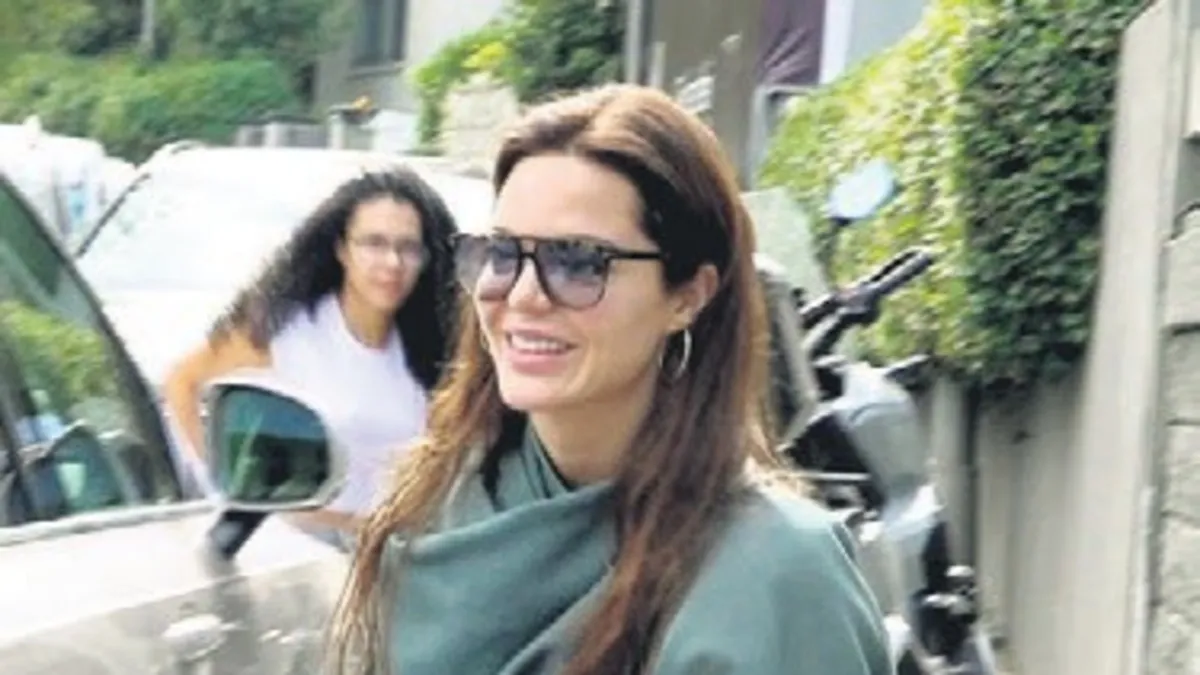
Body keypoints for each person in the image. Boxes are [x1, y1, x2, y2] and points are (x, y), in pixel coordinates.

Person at [329, 85, 891, 674]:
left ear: (688, 295)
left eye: (578, 262)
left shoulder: (774, 575)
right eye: (503, 253)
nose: (522, 295)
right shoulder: (435, 509)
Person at [162, 167, 459, 543]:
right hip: (302, 556)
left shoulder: (432, 348)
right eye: (374, 243)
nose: (392, 263)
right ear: (341, 249)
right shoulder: (287, 330)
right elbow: (183, 383)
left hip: (397, 556)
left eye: (409, 248)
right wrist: (235, 491)